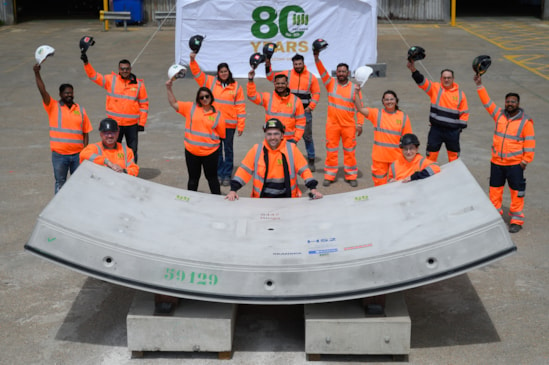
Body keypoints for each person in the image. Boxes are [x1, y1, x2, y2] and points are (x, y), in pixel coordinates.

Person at [473, 75, 535, 233]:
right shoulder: (499, 115)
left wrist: (525, 161)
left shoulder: (525, 122)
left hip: (515, 165)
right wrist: (479, 85)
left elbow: (530, 142)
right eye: (507, 101)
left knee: (517, 193)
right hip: (497, 163)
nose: (510, 104)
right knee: (495, 192)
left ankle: (516, 220)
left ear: (518, 104)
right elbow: (487, 102)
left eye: (513, 101)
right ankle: (494, 218)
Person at [225, 119, 322, 200]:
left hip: (286, 199)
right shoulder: (257, 150)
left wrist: (313, 189)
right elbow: (243, 171)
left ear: (282, 135)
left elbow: (304, 170)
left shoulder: (291, 149)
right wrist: (233, 190)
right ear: (265, 135)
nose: (272, 137)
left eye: (276, 134)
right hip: (262, 199)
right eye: (269, 134)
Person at [33, 63, 93, 194]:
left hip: (77, 155)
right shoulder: (53, 106)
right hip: (59, 156)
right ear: (60, 94)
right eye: (66, 93)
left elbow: (86, 132)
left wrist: (84, 151)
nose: (69, 95)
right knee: (60, 183)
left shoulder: (81, 110)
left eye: (71, 93)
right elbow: (42, 91)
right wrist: (37, 73)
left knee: (79, 182)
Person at [190, 52, 246, 186]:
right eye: (221, 72)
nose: (224, 74)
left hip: (229, 125)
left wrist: (241, 125)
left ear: (229, 72)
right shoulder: (211, 82)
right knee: (217, 150)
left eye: (225, 71)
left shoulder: (236, 86)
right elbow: (197, 74)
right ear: (218, 73)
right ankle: (219, 173)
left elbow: (240, 107)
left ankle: (227, 174)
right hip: (214, 124)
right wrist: (192, 60)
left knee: (228, 150)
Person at [81, 54, 148, 162]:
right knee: (112, 149)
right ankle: (113, 169)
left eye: (127, 69)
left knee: (132, 150)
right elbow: (93, 76)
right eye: (122, 69)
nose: (125, 71)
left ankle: (132, 172)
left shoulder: (139, 85)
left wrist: (142, 123)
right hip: (114, 124)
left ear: (130, 69)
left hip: (132, 124)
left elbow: (144, 105)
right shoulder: (111, 80)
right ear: (119, 69)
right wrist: (86, 63)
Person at [314, 51, 364, 187]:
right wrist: (316, 58)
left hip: (349, 126)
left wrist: (359, 124)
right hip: (333, 125)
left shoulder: (355, 89)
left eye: (343, 71)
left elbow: (361, 108)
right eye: (339, 71)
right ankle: (329, 176)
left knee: (350, 152)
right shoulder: (330, 83)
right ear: (336, 73)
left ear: (348, 73)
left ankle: (351, 175)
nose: (341, 73)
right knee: (331, 152)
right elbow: (321, 71)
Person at [166, 82, 226, 194]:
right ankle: (190, 203)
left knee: (212, 179)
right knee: (193, 180)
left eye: (207, 96)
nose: (204, 99)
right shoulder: (190, 108)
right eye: (201, 97)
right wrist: (168, 88)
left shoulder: (218, 115)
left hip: (210, 154)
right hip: (192, 152)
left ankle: (218, 203)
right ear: (198, 99)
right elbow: (174, 103)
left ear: (211, 97)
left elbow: (222, 134)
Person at [265, 54, 321, 171]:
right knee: (286, 136)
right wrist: (268, 65)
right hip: (289, 110)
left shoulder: (311, 77)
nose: (298, 66)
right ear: (293, 64)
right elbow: (271, 77)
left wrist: (311, 107)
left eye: (300, 64)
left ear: (303, 63)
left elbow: (316, 93)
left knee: (307, 136)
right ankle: (284, 158)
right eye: (295, 64)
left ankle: (311, 159)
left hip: (304, 111)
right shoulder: (287, 74)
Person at [406, 60, 469, 163]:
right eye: (444, 78)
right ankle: (429, 176)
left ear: (453, 79)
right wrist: (413, 69)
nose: (446, 80)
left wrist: (458, 129)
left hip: (452, 132)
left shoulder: (460, 95)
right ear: (441, 79)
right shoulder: (435, 88)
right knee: (430, 156)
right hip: (436, 130)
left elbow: (464, 113)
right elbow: (421, 81)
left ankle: (454, 178)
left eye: (449, 78)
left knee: (454, 159)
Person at [354, 85, 413, 186]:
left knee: (396, 185)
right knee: (379, 185)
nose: (389, 102)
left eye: (391, 99)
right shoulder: (377, 114)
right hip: (379, 159)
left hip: (396, 159)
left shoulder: (403, 117)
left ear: (396, 101)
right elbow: (360, 109)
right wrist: (356, 93)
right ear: (383, 101)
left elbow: (409, 139)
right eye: (386, 100)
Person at [247, 70, 306, 144]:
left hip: (289, 140)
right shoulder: (268, 98)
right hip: (272, 139)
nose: (280, 86)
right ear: (274, 84)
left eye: (282, 83)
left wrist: (296, 139)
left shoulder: (296, 101)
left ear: (287, 84)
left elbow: (301, 122)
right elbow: (252, 96)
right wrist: (250, 80)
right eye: (278, 83)